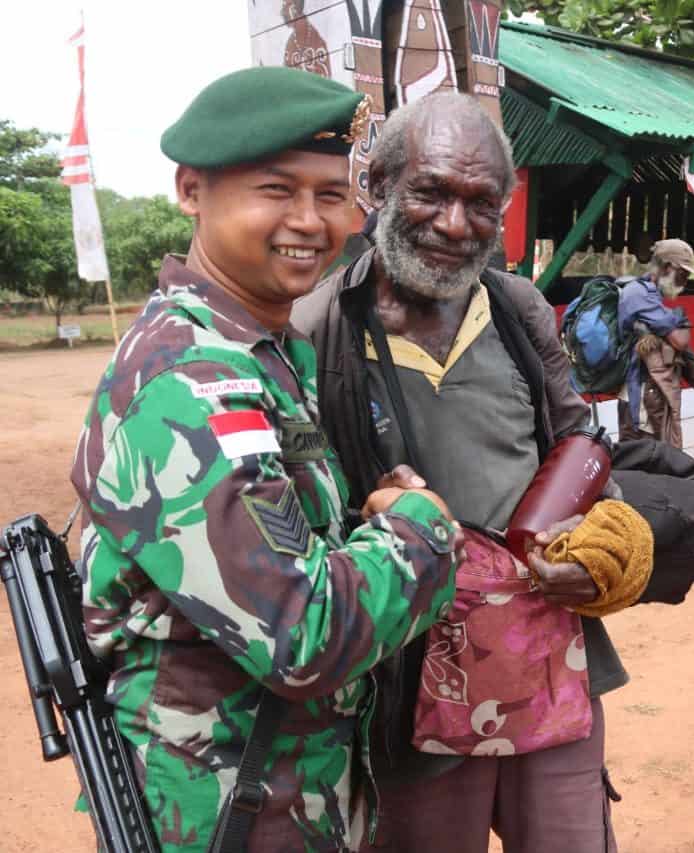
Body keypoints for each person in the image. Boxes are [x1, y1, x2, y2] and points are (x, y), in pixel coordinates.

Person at [69, 67, 460, 852]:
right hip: (223, 817)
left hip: (278, 797)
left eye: (329, 194)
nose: (310, 221)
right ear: (191, 191)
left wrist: (360, 528)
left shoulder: (264, 354)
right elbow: (301, 633)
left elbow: (284, 546)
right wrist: (421, 529)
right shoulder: (193, 379)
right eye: (276, 190)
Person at [293, 92, 629, 852]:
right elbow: (305, 523)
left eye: (482, 202)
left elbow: (579, 445)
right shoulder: (318, 330)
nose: (455, 224)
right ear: (376, 187)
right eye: (432, 191)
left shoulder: (517, 309)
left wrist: (609, 538)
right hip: (409, 689)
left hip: (547, 662)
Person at [616, 238, 694, 448]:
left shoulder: (652, 295)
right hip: (640, 397)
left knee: (658, 460)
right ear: (668, 267)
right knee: (642, 463)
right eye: (682, 274)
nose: (684, 282)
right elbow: (679, 340)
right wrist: (679, 317)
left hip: (650, 394)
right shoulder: (638, 293)